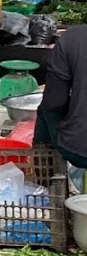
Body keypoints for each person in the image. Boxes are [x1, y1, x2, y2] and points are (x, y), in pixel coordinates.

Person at [36, 25, 87, 172]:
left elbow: (54, 102)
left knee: (44, 110)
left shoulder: (73, 37)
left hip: (79, 152)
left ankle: (46, 179)